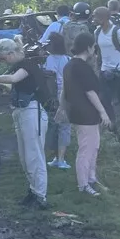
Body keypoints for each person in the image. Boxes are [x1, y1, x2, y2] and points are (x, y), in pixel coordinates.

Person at [0, 39, 50, 208]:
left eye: (3, 58)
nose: (3, 62)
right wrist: (4, 88)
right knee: (25, 156)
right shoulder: (18, 65)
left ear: (11, 53)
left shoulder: (27, 64)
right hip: (21, 111)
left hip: (33, 111)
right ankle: (33, 189)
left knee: (34, 155)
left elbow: (15, 79)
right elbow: (19, 85)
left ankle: (40, 195)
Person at [62, 32, 110, 196]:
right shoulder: (81, 67)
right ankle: (83, 185)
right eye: (94, 46)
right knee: (86, 149)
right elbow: (90, 92)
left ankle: (91, 178)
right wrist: (103, 112)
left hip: (78, 111)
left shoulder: (70, 65)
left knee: (94, 146)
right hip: (85, 113)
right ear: (89, 47)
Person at [93, 7, 120, 127]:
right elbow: (98, 52)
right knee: (104, 99)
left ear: (103, 18)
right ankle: (111, 124)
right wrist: (97, 67)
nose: (93, 19)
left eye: (95, 16)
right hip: (104, 71)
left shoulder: (117, 31)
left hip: (119, 72)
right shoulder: (97, 32)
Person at [43, 32, 72, 170]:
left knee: (54, 127)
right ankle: (61, 158)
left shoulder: (49, 59)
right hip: (66, 97)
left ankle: (57, 158)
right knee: (64, 128)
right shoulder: (67, 59)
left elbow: (49, 78)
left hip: (53, 98)